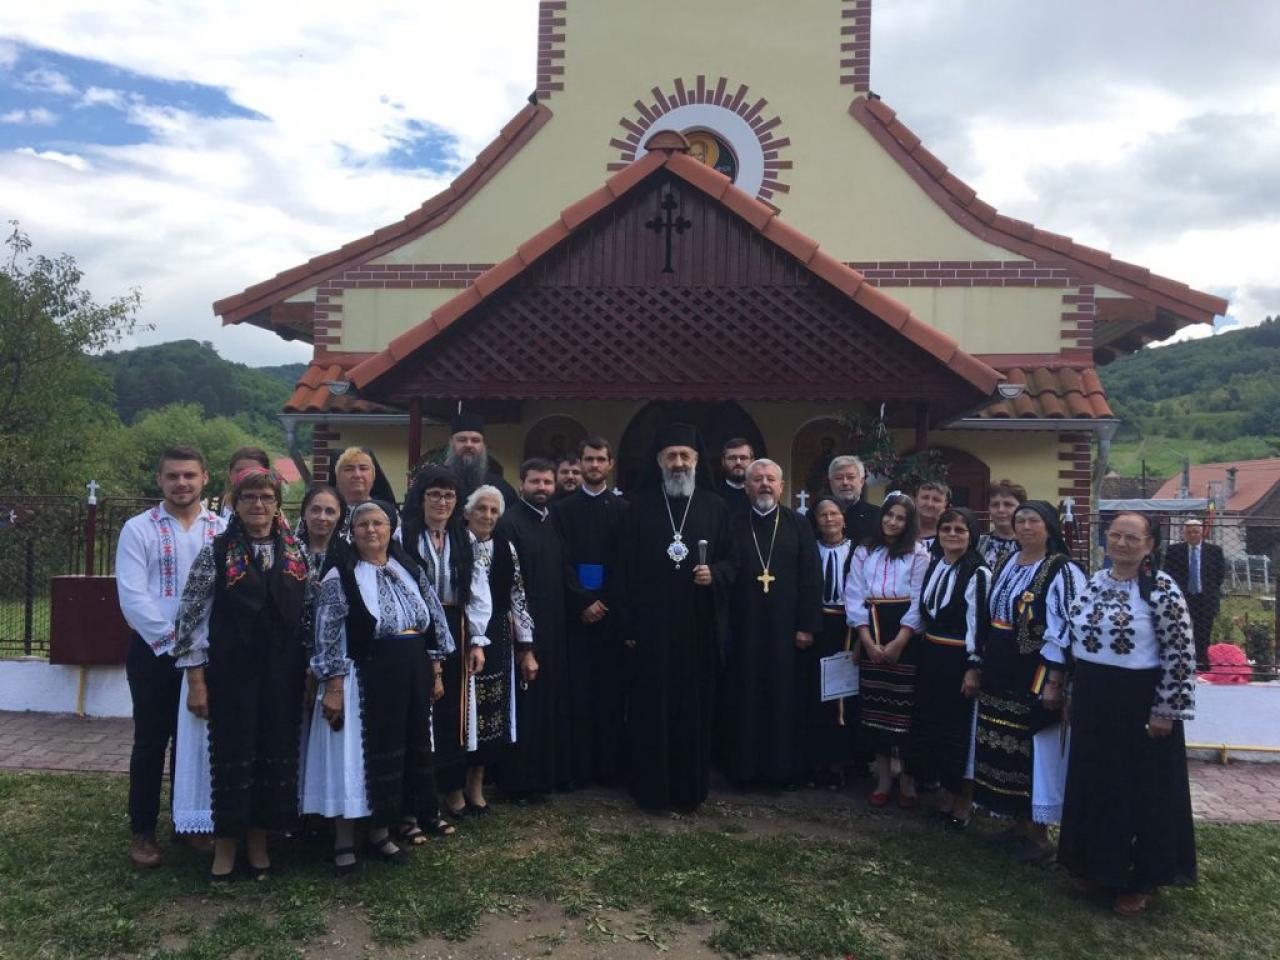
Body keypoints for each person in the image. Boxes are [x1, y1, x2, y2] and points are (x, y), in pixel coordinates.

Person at [301, 500, 455, 874]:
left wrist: (435, 670)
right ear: (351, 533)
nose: (371, 530)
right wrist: (333, 685)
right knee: (353, 756)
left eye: (378, 523)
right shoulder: (341, 576)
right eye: (363, 525)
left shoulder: (409, 569)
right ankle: (343, 840)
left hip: (410, 675)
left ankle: (381, 832)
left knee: (397, 752)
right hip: (362, 678)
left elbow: (433, 621)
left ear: (391, 529)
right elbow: (328, 633)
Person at [173, 466, 310, 880]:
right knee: (233, 757)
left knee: (273, 754)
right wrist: (196, 681)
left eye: (267, 497)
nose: (258, 505)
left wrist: (310, 672)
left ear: (277, 504)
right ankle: (226, 847)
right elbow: (190, 618)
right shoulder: (217, 551)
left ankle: (259, 844)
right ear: (235, 503)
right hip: (232, 674)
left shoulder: (296, 553)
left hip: (282, 674)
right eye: (249, 497)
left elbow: (308, 613)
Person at [1059, 512, 1197, 916]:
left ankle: (1140, 879)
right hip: (1093, 697)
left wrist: (1166, 709)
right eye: (1115, 535)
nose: (1121, 543)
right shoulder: (1095, 582)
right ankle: (1092, 865)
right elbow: (1076, 641)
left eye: (1131, 538)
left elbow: (1180, 653)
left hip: (1138, 702)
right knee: (1094, 781)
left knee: (1138, 789)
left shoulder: (1161, 589)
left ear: (1149, 544)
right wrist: (1071, 692)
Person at [115, 445, 224, 868]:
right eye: (173, 476)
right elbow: (132, 595)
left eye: (189, 475)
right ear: (159, 479)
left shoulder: (222, 529)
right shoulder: (138, 528)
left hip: (208, 654)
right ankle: (142, 829)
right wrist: (173, 642)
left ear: (204, 478)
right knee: (150, 740)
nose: (182, 483)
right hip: (154, 652)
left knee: (194, 742)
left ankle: (188, 824)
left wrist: (203, 646)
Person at [619, 423, 731, 810]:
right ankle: (650, 788)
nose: (679, 463)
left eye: (685, 456)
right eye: (672, 456)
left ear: (697, 461)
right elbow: (623, 568)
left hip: (698, 626)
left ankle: (689, 789)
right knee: (651, 706)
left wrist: (714, 574)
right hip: (650, 627)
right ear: (659, 461)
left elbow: (733, 562)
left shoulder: (716, 507)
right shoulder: (638, 506)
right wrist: (628, 624)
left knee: (693, 707)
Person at [972, 500, 1085, 863]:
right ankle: (1017, 822)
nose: (1025, 527)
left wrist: (1055, 680)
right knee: (1004, 741)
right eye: (1020, 521)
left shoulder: (1062, 569)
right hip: (1001, 664)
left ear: (1049, 527)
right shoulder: (1007, 562)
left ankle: (1039, 834)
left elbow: (1067, 625)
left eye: (1033, 521)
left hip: (1036, 669)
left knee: (1034, 745)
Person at [720, 459, 822, 788]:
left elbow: (811, 576)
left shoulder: (798, 524)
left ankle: (781, 772)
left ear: (781, 486)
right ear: (746, 487)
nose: (764, 484)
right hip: (744, 627)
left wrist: (806, 625)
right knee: (744, 696)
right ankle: (743, 771)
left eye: (771, 479)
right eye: (757, 479)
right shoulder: (732, 523)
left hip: (786, 630)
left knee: (783, 698)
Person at [398, 466, 489, 825]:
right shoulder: (404, 535)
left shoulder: (464, 539)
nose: (441, 502)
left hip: (455, 625)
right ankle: (417, 797)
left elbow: (478, 591)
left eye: (449, 495)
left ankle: (452, 789)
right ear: (421, 499)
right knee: (418, 708)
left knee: (452, 710)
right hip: (414, 627)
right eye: (434, 494)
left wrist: (477, 641)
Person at [552, 436, 630, 786]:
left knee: (610, 694)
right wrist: (582, 601)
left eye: (600, 459)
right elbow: (559, 560)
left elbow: (627, 563)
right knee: (578, 694)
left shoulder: (624, 509)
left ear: (610, 464)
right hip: (576, 615)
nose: (594, 465)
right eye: (589, 459)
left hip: (611, 616)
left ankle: (609, 768)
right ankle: (578, 769)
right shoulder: (562, 510)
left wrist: (606, 601)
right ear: (580, 464)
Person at [844, 493, 929, 807]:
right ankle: (882, 779)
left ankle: (907, 781)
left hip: (905, 633)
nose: (892, 522)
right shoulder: (865, 550)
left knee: (904, 709)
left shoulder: (919, 553)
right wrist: (866, 640)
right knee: (875, 708)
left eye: (900, 518)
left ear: (909, 523)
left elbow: (919, 599)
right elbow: (854, 594)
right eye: (888, 515)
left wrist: (899, 642)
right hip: (872, 626)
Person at [495, 458, 571, 796]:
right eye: (535, 481)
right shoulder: (509, 524)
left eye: (547, 482)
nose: (542, 488)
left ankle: (545, 776)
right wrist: (524, 643)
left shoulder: (551, 520)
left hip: (553, 628)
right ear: (521, 483)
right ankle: (519, 783)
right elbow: (512, 586)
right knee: (525, 706)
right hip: (524, 632)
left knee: (548, 704)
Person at [910, 507, 990, 830]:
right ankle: (944, 793)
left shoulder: (978, 572)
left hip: (958, 658)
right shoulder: (936, 564)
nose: (952, 535)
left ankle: (964, 800)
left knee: (960, 730)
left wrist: (974, 666)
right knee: (936, 725)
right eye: (946, 529)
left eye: (960, 530)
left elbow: (979, 624)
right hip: (932, 654)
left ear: (972, 535)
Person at [462, 485, 536, 813]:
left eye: (494, 510)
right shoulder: (456, 544)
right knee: (462, 711)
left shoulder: (506, 547)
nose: (488, 516)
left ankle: (476, 784)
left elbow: (518, 595)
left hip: (498, 635)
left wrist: (526, 645)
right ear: (467, 512)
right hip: (462, 633)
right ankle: (453, 787)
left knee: (489, 713)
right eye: (482, 509)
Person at [800, 497, 858, 788]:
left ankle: (838, 763)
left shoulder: (857, 551)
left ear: (844, 519)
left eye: (834, 513)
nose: (829, 519)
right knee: (814, 692)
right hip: (816, 623)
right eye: (823, 514)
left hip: (847, 626)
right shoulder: (809, 549)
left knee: (841, 695)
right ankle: (815, 761)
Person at [1161, 518, 1225, 664]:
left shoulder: (1214, 551)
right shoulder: (1174, 551)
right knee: (1181, 630)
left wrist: (1209, 590)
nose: (1192, 535)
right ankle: (1183, 660)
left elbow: (1219, 574)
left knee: (1204, 632)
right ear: (1184, 534)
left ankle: (1201, 662)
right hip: (1183, 598)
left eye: (1196, 532)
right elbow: (1168, 572)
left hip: (1205, 598)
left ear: (1202, 533)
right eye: (1189, 532)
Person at [445, 411, 519, 509]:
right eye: (462, 440)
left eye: (475, 440)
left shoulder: (501, 488)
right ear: (451, 442)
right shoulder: (435, 481)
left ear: (483, 445)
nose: (469, 445)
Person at [332, 446, 399, 537]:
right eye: (349, 469)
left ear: (373, 476)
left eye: (363, 468)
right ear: (337, 477)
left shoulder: (387, 514)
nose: (357, 475)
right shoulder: (326, 512)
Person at [825, 455, 879, 547]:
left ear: (861, 481)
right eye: (838, 478)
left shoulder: (877, 516)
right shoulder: (818, 517)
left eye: (850, 477)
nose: (845, 483)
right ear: (831, 483)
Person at [978, 479, 1026, 571]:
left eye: (1008, 505)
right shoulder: (978, 544)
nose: (1001, 510)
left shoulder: (1031, 545)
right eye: (995, 505)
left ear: (1021, 508)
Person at [213, 446, 270, 519]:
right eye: (240, 471)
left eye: (252, 473)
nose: (244, 477)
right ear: (230, 474)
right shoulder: (207, 509)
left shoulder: (273, 515)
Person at [717, 438, 753, 515]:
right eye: (732, 458)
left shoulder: (758, 495)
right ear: (723, 461)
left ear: (752, 461)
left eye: (743, 458)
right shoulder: (714, 495)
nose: (738, 462)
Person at [914, 480, 949, 552]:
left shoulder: (952, 537)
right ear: (916, 500)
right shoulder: (900, 532)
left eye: (936, 500)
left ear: (945, 504)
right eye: (925, 497)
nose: (930, 504)